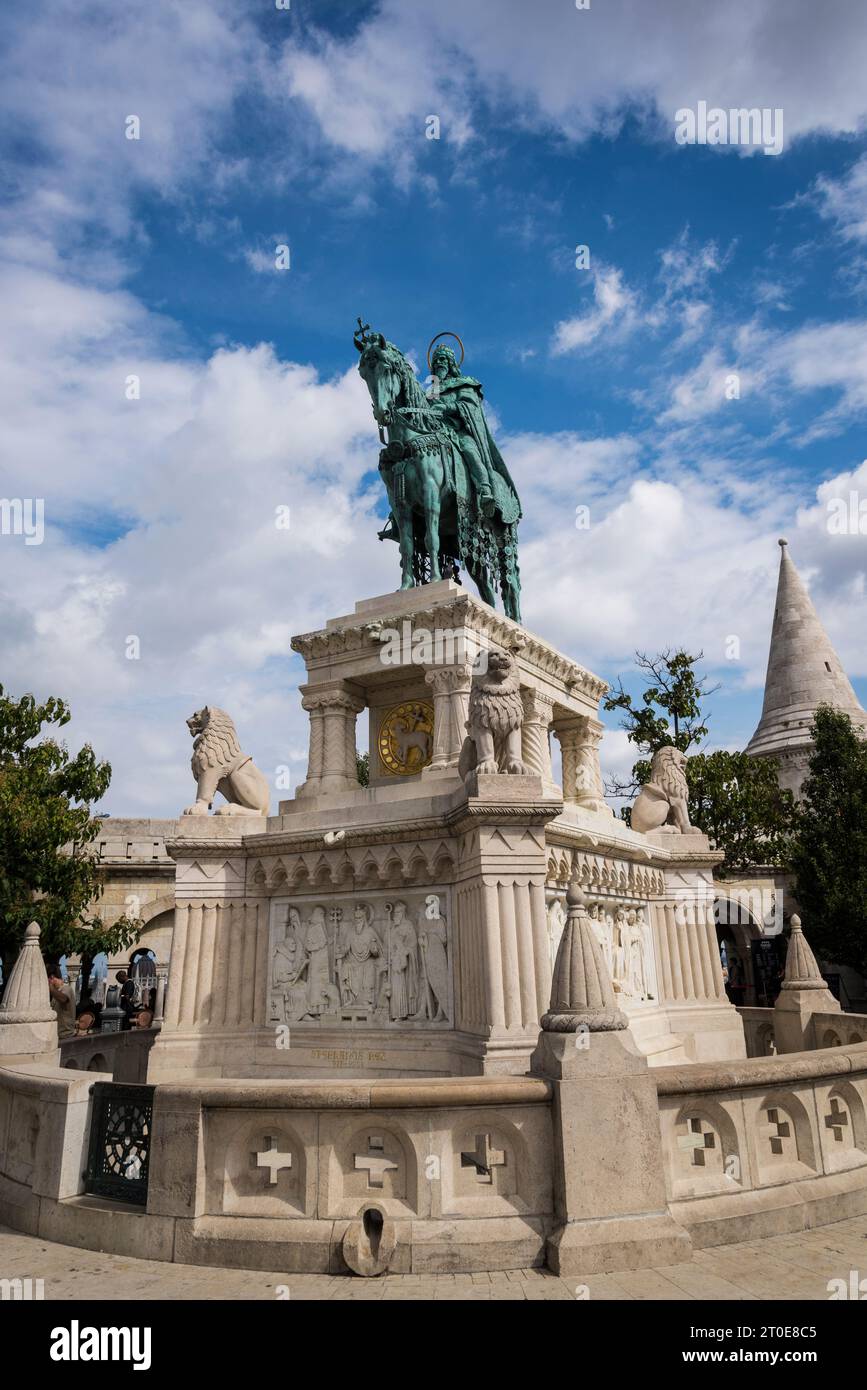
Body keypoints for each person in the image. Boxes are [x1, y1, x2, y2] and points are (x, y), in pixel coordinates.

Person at [46, 965, 77, 1042]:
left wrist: (50, 987)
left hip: (65, 1036)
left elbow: (63, 999)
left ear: (52, 977)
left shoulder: (66, 989)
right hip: (57, 1035)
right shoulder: (57, 992)